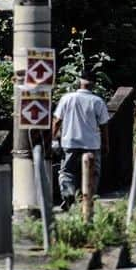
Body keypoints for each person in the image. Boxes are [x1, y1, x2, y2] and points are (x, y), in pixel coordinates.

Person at [52, 74, 110, 211]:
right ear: (94, 84)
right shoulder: (97, 101)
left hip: (70, 142)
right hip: (92, 144)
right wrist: (106, 143)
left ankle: (68, 195)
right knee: (93, 173)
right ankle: (89, 200)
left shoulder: (67, 98)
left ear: (79, 83)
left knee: (67, 172)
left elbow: (57, 120)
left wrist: (53, 138)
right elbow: (104, 125)